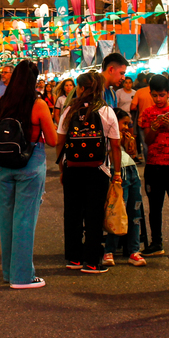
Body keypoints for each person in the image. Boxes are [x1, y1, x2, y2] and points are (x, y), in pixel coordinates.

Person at [0, 60, 57, 289]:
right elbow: (53, 139)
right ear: (33, 80)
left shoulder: (0, 103)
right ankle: (22, 276)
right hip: (30, 162)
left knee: (6, 220)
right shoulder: (38, 105)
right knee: (25, 220)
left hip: (3, 165)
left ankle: (9, 272)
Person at [56, 72, 121, 274]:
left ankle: (74, 258)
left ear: (81, 88)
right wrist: (117, 172)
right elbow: (116, 146)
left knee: (73, 213)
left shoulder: (69, 110)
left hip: (73, 168)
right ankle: (92, 261)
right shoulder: (107, 111)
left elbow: (60, 142)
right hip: (98, 169)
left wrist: (62, 168)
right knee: (94, 214)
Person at [138, 74, 169, 259]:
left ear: (168, 93)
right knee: (154, 206)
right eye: (154, 95)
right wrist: (154, 127)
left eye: (161, 95)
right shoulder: (148, 113)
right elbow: (148, 141)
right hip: (153, 165)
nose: (158, 99)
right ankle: (156, 243)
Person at [104, 109, 146, 268]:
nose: (126, 127)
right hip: (118, 173)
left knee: (135, 212)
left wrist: (130, 144)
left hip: (131, 171)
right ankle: (109, 250)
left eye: (128, 124)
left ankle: (134, 250)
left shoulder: (125, 136)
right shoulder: (108, 135)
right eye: (124, 123)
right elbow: (109, 154)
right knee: (117, 211)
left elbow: (131, 153)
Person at [130, 75, 155, 163]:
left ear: (146, 81)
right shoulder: (160, 92)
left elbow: (133, 107)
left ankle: (149, 165)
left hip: (143, 122)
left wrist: (141, 107)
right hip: (157, 122)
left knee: (145, 145)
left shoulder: (140, 92)